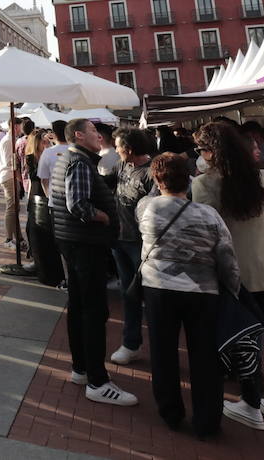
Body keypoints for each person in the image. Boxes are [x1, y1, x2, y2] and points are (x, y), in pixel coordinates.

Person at [191, 122, 264, 432]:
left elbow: (204, 234)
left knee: (243, 341)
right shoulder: (262, 176)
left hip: (232, 272)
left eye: (201, 149)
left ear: (211, 152)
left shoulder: (204, 184)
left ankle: (252, 404)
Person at [137, 153, 239, 437]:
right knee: (205, 356)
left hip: (158, 288)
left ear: (157, 180)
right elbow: (227, 258)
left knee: (162, 351)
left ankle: (170, 412)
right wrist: (232, 288)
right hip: (202, 291)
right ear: (189, 179)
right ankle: (207, 420)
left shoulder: (146, 207)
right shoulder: (209, 214)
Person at [49, 119, 136, 407]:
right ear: (78, 135)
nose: (99, 136)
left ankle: (81, 368)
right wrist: (106, 217)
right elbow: (79, 205)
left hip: (73, 242)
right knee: (94, 310)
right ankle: (98, 381)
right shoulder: (80, 163)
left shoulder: (70, 159)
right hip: (86, 243)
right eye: (92, 131)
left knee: (78, 307)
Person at [108, 127, 155, 366]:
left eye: (118, 146)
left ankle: (158, 344)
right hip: (120, 240)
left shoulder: (151, 173)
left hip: (142, 244)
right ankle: (131, 342)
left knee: (152, 296)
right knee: (128, 293)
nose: (115, 150)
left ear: (129, 149)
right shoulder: (120, 166)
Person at [24, 128, 64, 287]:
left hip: (50, 195)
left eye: (48, 142)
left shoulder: (53, 154)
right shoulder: (31, 157)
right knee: (31, 228)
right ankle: (36, 259)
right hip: (36, 195)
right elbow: (34, 176)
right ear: (37, 143)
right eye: (44, 142)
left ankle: (47, 263)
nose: (46, 144)